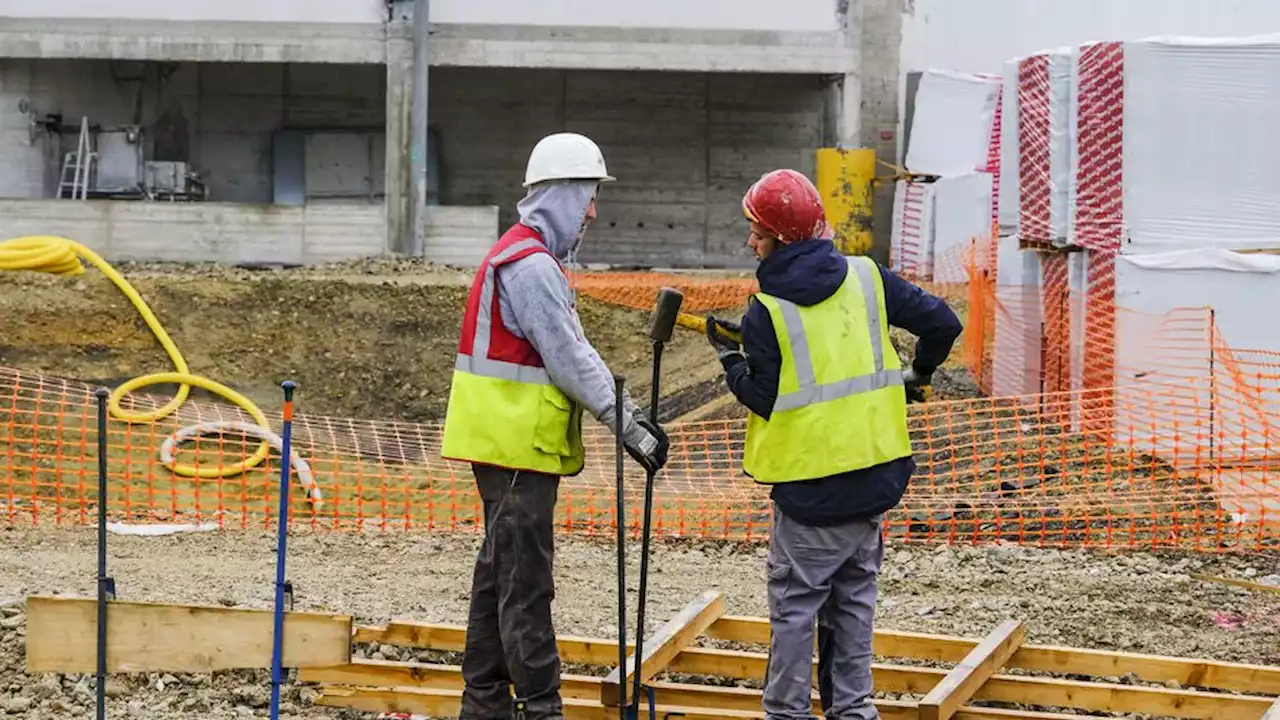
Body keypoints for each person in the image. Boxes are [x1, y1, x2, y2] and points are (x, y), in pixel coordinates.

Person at [703, 169, 963, 720]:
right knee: (854, 604)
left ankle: (788, 713)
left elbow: (763, 397)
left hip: (811, 491)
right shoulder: (868, 279)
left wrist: (730, 363)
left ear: (781, 237)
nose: (751, 241)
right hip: (874, 480)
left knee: (797, 609)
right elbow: (943, 322)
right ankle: (852, 710)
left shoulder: (767, 310)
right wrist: (919, 373)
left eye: (758, 232)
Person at [441, 131, 671, 720]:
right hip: (516, 448)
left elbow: (568, 351)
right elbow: (568, 358)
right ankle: (541, 708)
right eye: (589, 195)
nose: (594, 210)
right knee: (526, 585)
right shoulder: (530, 266)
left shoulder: (524, 258)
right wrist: (630, 426)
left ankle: (484, 704)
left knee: (500, 576)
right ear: (561, 195)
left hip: (507, 445)